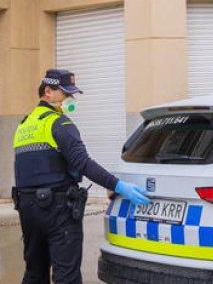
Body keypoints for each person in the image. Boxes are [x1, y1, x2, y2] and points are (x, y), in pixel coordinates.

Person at [13, 69, 150, 284]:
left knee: (34, 273)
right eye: (66, 94)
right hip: (57, 210)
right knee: (66, 276)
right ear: (48, 91)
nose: (70, 100)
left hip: (28, 209)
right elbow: (83, 163)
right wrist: (118, 185)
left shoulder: (24, 125)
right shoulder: (60, 124)